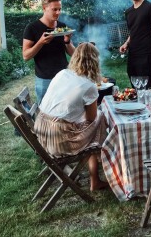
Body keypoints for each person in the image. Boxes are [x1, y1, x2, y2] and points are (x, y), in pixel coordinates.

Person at [34, 42, 109, 191]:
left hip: (40, 133)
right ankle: (96, 176)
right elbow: (90, 119)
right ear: (95, 62)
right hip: (58, 141)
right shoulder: (89, 86)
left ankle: (98, 167)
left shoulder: (62, 73)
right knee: (100, 119)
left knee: (93, 123)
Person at [23, 0, 75, 104]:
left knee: (65, 111)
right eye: (54, 9)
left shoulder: (62, 26)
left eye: (60, 9)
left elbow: (73, 54)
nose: (58, 12)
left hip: (63, 77)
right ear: (44, 8)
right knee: (45, 115)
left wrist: (67, 41)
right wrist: (40, 42)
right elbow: (26, 56)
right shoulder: (32, 28)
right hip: (44, 79)